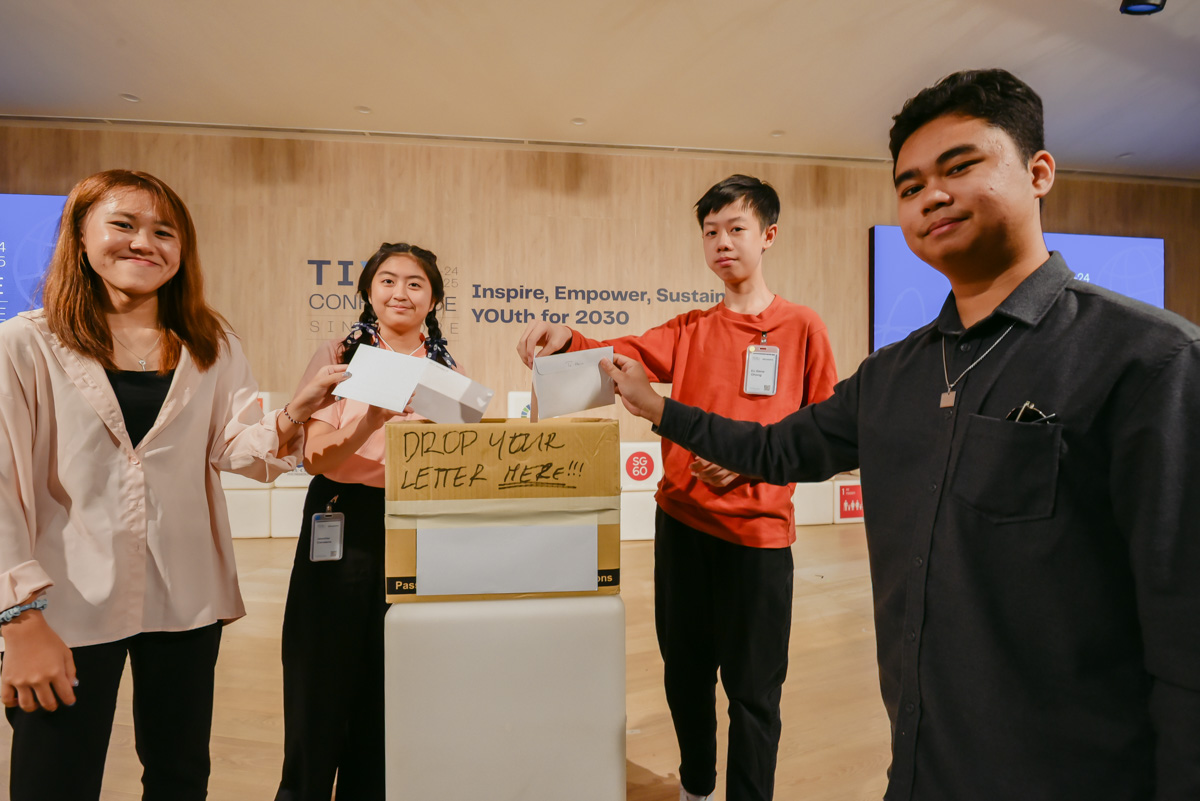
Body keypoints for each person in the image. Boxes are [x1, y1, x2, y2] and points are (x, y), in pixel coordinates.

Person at [602, 69, 1200, 801]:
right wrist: (660, 410)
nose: (931, 196)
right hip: (921, 766)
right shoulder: (894, 376)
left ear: (1039, 172)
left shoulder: (1150, 360)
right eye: (910, 185)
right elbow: (776, 449)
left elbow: (1185, 636)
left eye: (960, 166)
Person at [0, 168, 349, 801]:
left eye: (164, 232)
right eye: (123, 224)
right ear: (80, 235)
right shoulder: (25, 345)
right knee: (54, 777)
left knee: (181, 775)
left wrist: (295, 413)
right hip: (65, 601)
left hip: (184, 595)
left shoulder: (211, 344)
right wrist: (18, 619)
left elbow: (230, 447)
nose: (144, 243)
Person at [517, 175, 837, 801]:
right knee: (685, 674)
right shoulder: (690, 328)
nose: (722, 243)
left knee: (753, 691)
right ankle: (696, 788)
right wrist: (568, 339)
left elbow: (822, 433)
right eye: (710, 232)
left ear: (769, 236)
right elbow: (620, 351)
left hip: (759, 538)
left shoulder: (803, 327)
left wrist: (749, 466)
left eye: (736, 229)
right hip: (683, 526)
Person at [275, 241, 461, 801]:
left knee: (391, 672)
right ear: (368, 292)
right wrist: (372, 422)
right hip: (340, 515)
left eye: (415, 283)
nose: (400, 292)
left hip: (414, 524)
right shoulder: (340, 355)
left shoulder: (446, 369)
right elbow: (316, 457)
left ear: (433, 299)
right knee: (320, 668)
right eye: (388, 280)